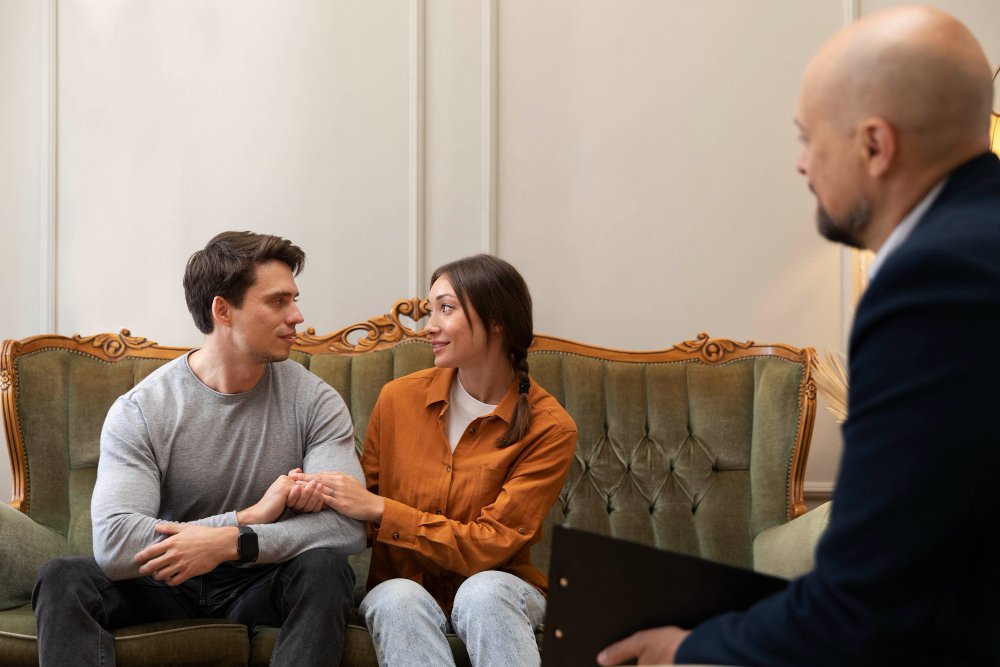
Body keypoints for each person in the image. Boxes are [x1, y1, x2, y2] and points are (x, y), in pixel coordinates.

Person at [599, 6, 1000, 666]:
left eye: (808, 138)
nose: (800, 165)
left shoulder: (934, 281)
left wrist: (690, 651)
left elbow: (867, 606)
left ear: (875, 145)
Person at [31, 231, 367, 666]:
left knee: (325, 570)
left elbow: (347, 527)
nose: (298, 316)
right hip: (166, 580)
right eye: (278, 301)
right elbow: (114, 544)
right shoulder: (143, 409)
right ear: (223, 310)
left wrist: (234, 542)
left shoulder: (315, 401)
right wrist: (243, 518)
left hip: (259, 581)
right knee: (62, 578)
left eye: (294, 300)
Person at [291, 254, 578, 666]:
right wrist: (314, 493)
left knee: (483, 591)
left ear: (497, 320)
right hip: (404, 587)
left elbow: (491, 545)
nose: (430, 326)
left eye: (447, 308)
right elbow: (361, 511)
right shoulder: (397, 400)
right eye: (431, 310)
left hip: (502, 590)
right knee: (396, 596)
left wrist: (382, 510)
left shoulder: (550, 428)